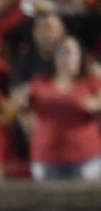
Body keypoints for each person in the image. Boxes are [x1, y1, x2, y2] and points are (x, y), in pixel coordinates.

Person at [14, 36, 101, 180]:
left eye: (71, 52)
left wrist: (92, 105)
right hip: (46, 156)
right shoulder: (40, 82)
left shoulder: (91, 82)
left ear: (80, 56)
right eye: (61, 52)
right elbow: (21, 105)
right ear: (54, 57)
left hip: (85, 157)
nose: (66, 57)